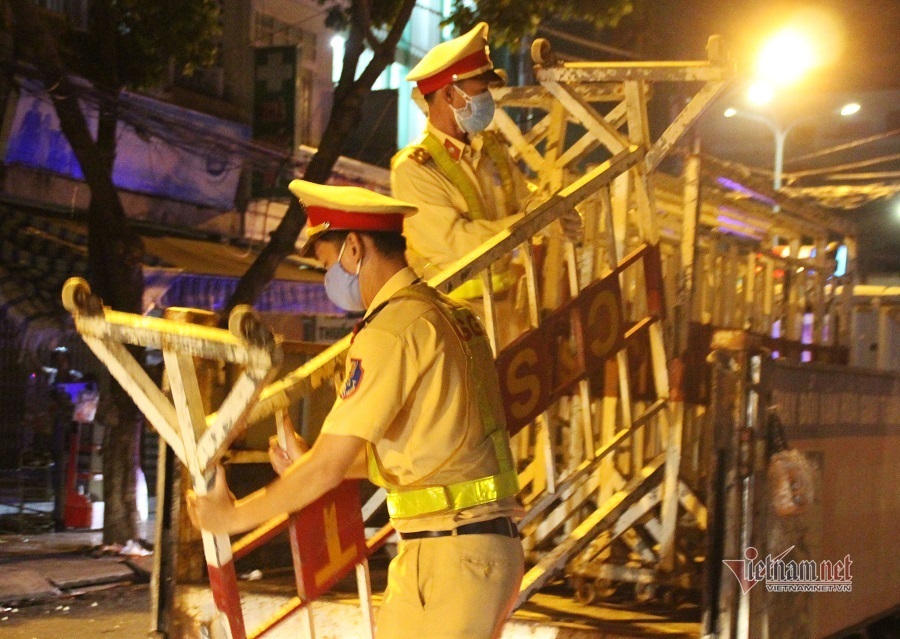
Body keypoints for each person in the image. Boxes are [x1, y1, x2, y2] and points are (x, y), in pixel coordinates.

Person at [189, 181, 525, 639]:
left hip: (455, 554)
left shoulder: (391, 331)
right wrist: (326, 464)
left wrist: (229, 517)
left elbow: (325, 469)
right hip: (451, 549)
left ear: (353, 248)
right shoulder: (448, 314)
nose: (330, 279)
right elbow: (432, 447)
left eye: (327, 264)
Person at [391, 22, 581, 348]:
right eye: (481, 91)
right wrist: (531, 223)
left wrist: (550, 211)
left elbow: (524, 197)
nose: (487, 101)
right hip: (453, 320)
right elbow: (456, 245)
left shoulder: (490, 149)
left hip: (504, 312)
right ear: (449, 94)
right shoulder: (414, 169)